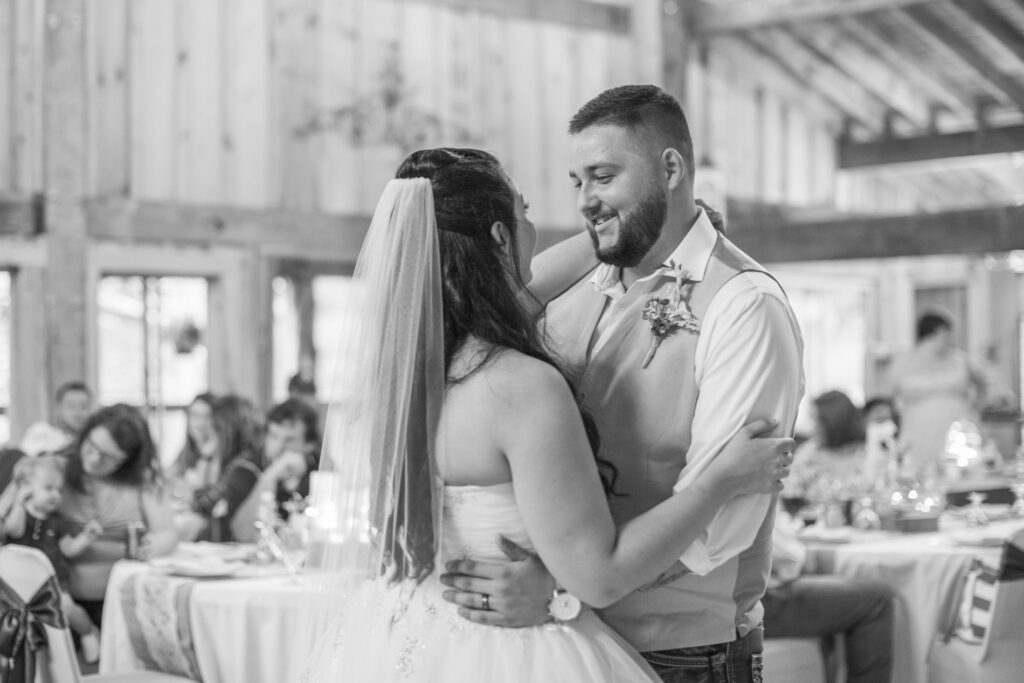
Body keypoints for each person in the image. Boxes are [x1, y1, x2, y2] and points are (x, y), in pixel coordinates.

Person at [298, 148, 795, 682]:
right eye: (525, 211)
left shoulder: (399, 381)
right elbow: (599, 577)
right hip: (517, 647)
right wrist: (722, 479)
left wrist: (649, 222)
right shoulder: (520, 387)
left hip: (407, 636)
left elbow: (527, 288)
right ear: (498, 237)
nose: (536, 226)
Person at [440, 86, 804, 682]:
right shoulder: (566, 288)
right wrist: (626, 220)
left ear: (670, 167)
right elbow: (489, 294)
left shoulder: (742, 305)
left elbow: (719, 527)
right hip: (560, 645)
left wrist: (562, 586)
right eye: (577, 182)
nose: (585, 200)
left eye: (603, 177)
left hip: (683, 653)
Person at [59, 404, 178, 627]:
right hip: (65, 601)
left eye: (108, 457)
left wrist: (152, 545)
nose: (94, 459)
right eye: (91, 445)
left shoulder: (144, 479)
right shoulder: (58, 468)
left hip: (124, 600)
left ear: (128, 461)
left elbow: (167, 533)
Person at [763, 505, 894, 683]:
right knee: (877, 599)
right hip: (755, 602)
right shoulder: (747, 483)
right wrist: (802, 555)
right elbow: (783, 552)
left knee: (836, 588)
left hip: (739, 599)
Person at [2, 455, 104, 662]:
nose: (56, 495)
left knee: (67, 609)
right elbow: (13, 530)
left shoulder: (57, 522)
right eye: (48, 488)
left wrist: (85, 537)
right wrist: (20, 503)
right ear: (26, 487)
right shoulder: (20, 515)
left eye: (59, 489)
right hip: (24, 581)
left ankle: (87, 631)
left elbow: (68, 549)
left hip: (55, 581)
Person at [889, 311, 987, 477]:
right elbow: (890, 399)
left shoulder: (960, 359)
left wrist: (976, 410)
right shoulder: (903, 363)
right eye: (943, 335)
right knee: (920, 475)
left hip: (958, 432)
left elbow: (982, 384)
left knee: (960, 473)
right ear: (929, 335)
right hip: (919, 432)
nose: (948, 340)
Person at [229, 398, 321, 542]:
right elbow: (242, 535)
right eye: (273, 436)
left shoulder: (320, 475)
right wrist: (270, 477)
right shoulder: (246, 469)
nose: (278, 447)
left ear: (309, 445)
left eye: (289, 440)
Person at [177, 394, 263, 542]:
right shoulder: (236, 462)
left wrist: (206, 457)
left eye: (215, 427)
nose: (209, 432)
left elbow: (203, 505)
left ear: (229, 431)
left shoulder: (244, 467)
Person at [788, 390, 870, 504]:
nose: (814, 427)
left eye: (818, 421)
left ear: (836, 421)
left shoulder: (868, 453)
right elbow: (789, 492)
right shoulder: (808, 454)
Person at [19, 381, 93, 457]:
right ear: (58, 408)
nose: (78, 412)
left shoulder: (93, 440)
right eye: (71, 406)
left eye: (84, 406)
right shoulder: (41, 431)